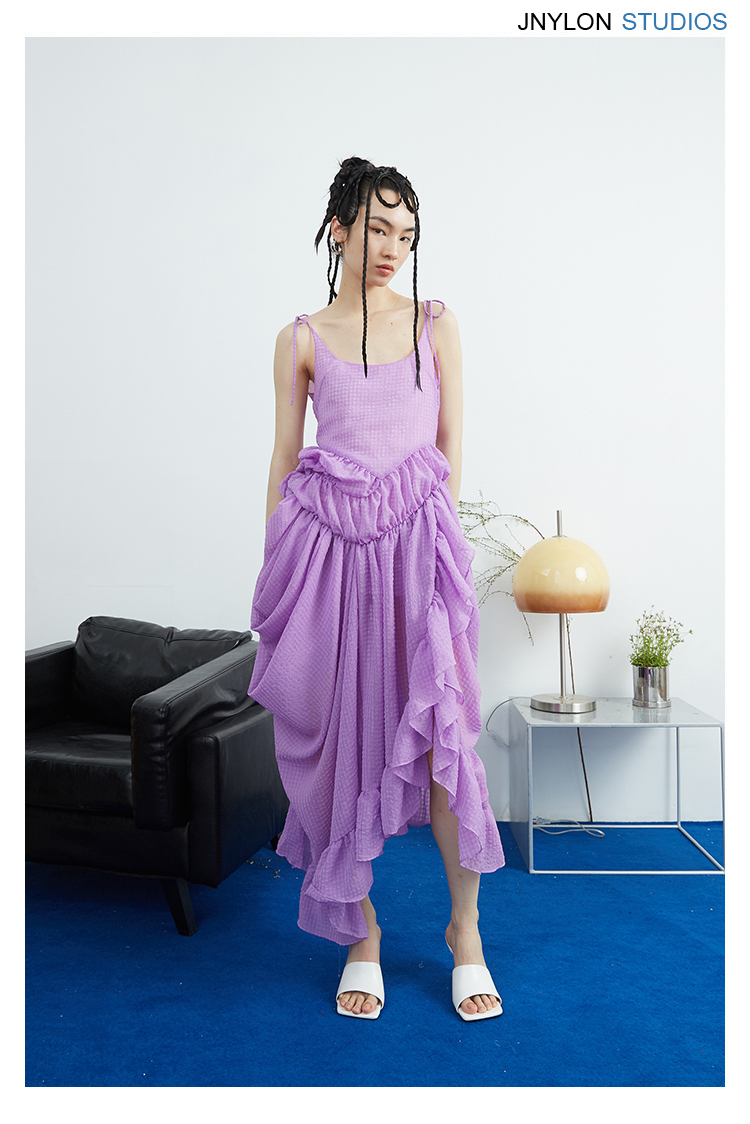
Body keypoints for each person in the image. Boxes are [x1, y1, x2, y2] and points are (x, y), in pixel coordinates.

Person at [247, 157, 505, 1021]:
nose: (394, 247)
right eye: (378, 228)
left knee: (442, 740)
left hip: (419, 549)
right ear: (340, 229)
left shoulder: (437, 322)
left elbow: (450, 445)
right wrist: (277, 566)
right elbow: (285, 457)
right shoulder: (299, 339)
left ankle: (464, 931)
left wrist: (446, 550)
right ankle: (362, 936)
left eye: (407, 233)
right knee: (340, 749)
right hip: (332, 558)